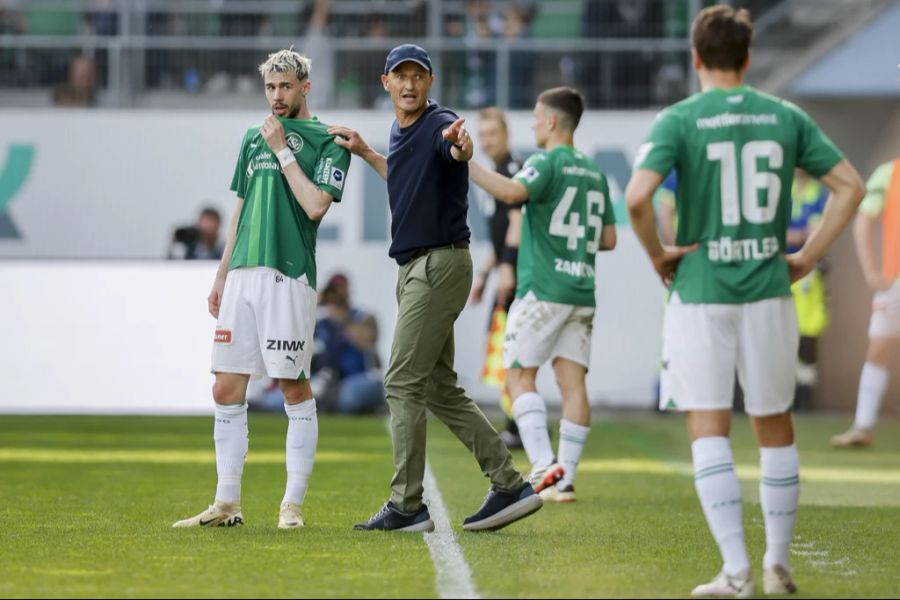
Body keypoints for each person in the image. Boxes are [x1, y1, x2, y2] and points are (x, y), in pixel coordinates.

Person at [625, 6, 865, 597]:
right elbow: (851, 187)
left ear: (697, 58)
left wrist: (659, 254)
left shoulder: (679, 119)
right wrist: (805, 257)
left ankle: (737, 572)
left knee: (708, 426)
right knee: (774, 423)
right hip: (767, 290)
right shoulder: (785, 116)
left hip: (702, 290)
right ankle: (779, 562)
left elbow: (636, 198)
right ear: (749, 57)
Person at [328, 44, 541, 533]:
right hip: (421, 268)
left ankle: (407, 505)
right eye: (399, 76)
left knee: (400, 381)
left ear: (430, 82)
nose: (408, 84)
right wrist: (364, 152)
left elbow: (455, 149)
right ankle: (509, 484)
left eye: (417, 76)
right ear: (386, 83)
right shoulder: (401, 132)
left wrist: (463, 147)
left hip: (438, 265)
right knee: (439, 388)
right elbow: (401, 177)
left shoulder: (438, 123)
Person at [172, 48, 351, 530]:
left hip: (287, 275)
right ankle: (226, 501)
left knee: (292, 385)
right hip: (243, 273)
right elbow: (240, 208)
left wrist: (284, 150)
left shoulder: (328, 140)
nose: (276, 96)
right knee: (225, 386)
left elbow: (315, 206)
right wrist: (222, 273)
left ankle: (292, 504)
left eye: (286, 86)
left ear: (305, 87)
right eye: (270, 87)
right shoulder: (252, 137)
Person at [469, 87, 616, 504]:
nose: (532, 124)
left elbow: (514, 194)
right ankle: (565, 478)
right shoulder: (594, 172)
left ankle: (542, 465)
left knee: (518, 375)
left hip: (543, 288)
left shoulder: (545, 162)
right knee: (573, 385)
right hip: (581, 289)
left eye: (536, 116)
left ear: (552, 121)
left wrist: (466, 166)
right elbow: (607, 238)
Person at [832, 157, 900, 448]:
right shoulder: (890, 172)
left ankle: (863, 426)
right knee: (878, 348)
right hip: (896, 278)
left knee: (879, 348)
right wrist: (872, 272)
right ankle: (863, 426)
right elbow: (863, 221)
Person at [470, 107, 525, 450]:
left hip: (517, 275)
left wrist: (507, 267)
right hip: (506, 270)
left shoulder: (513, 171)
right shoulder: (497, 173)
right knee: (506, 351)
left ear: (506, 134)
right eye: (484, 134)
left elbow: (518, 223)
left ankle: (518, 427)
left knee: (513, 351)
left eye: (494, 133)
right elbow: (501, 233)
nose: (488, 140)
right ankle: (517, 424)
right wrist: (486, 272)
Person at [311, 273, 386, 414]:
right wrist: (311, 305)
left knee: (348, 397)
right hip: (329, 380)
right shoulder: (321, 323)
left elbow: (368, 340)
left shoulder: (364, 317)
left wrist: (340, 315)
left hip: (361, 377)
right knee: (284, 398)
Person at [787, 169, 830, 411]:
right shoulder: (782, 190)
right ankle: (788, 391)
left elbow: (815, 232)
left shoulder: (817, 193)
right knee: (780, 334)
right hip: (782, 266)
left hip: (808, 271)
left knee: (808, 334)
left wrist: (799, 235)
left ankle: (804, 395)